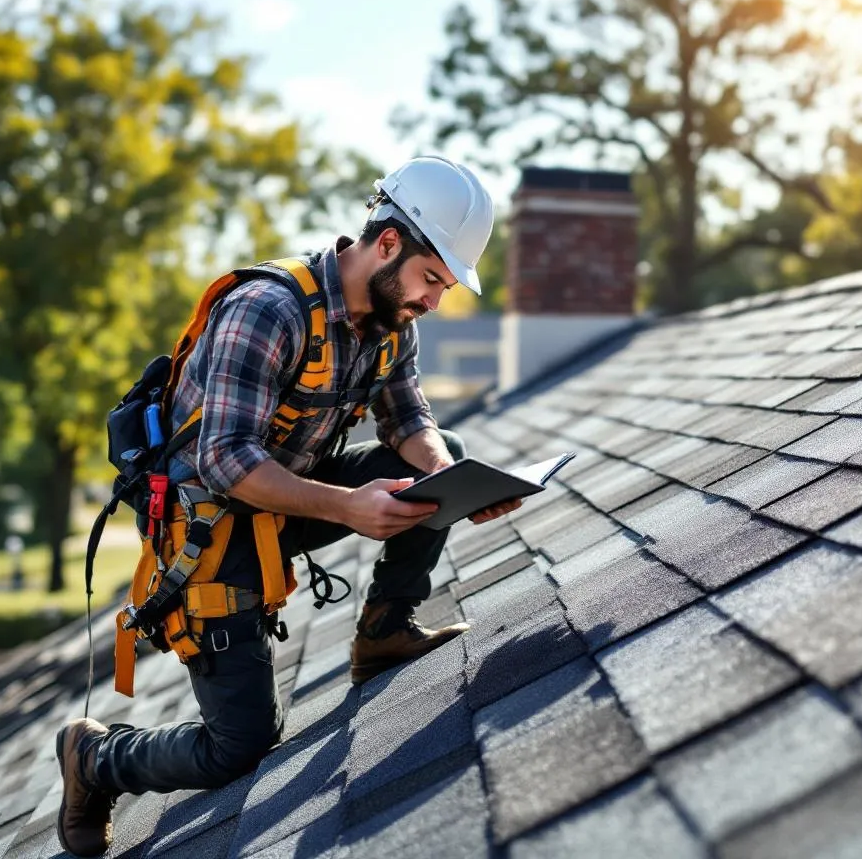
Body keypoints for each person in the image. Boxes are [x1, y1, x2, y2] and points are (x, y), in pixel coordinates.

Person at [55, 156, 520, 857]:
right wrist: (347, 508)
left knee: (440, 450)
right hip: (211, 526)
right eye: (432, 280)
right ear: (388, 243)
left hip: (291, 495)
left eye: (445, 287)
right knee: (236, 748)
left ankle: (385, 630)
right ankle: (95, 759)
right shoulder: (268, 309)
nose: (434, 301)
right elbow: (223, 459)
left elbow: (407, 419)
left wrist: (459, 480)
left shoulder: (394, 320)